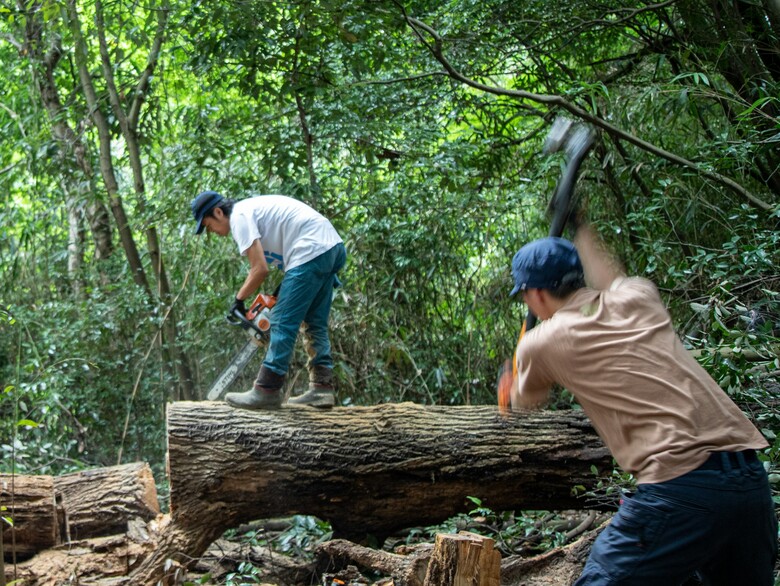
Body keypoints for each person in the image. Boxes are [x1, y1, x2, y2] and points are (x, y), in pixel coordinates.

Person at [506, 223, 776, 585]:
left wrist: (510, 383)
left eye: (525, 297)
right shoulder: (637, 297)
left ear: (536, 295)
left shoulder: (542, 343)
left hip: (680, 485)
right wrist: (582, 232)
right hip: (749, 480)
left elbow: (526, 401)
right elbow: (613, 278)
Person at [191, 191, 346, 410]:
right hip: (330, 247)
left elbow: (259, 269)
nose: (212, 231)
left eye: (209, 225)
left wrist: (238, 300)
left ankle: (267, 389)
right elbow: (289, 270)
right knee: (313, 323)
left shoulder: (239, 217)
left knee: (281, 321)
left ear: (218, 212)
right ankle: (322, 388)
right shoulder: (251, 210)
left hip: (311, 249)